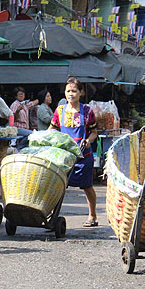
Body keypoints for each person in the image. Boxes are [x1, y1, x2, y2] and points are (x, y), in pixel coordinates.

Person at [49, 77, 98, 227]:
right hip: (63, 156)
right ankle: (52, 215)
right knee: (57, 186)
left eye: (74, 91)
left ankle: (93, 216)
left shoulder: (87, 111)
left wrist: (89, 140)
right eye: (68, 91)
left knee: (87, 186)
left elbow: (94, 132)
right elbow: (52, 129)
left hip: (83, 156)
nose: (71, 94)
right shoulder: (60, 110)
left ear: (81, 92)